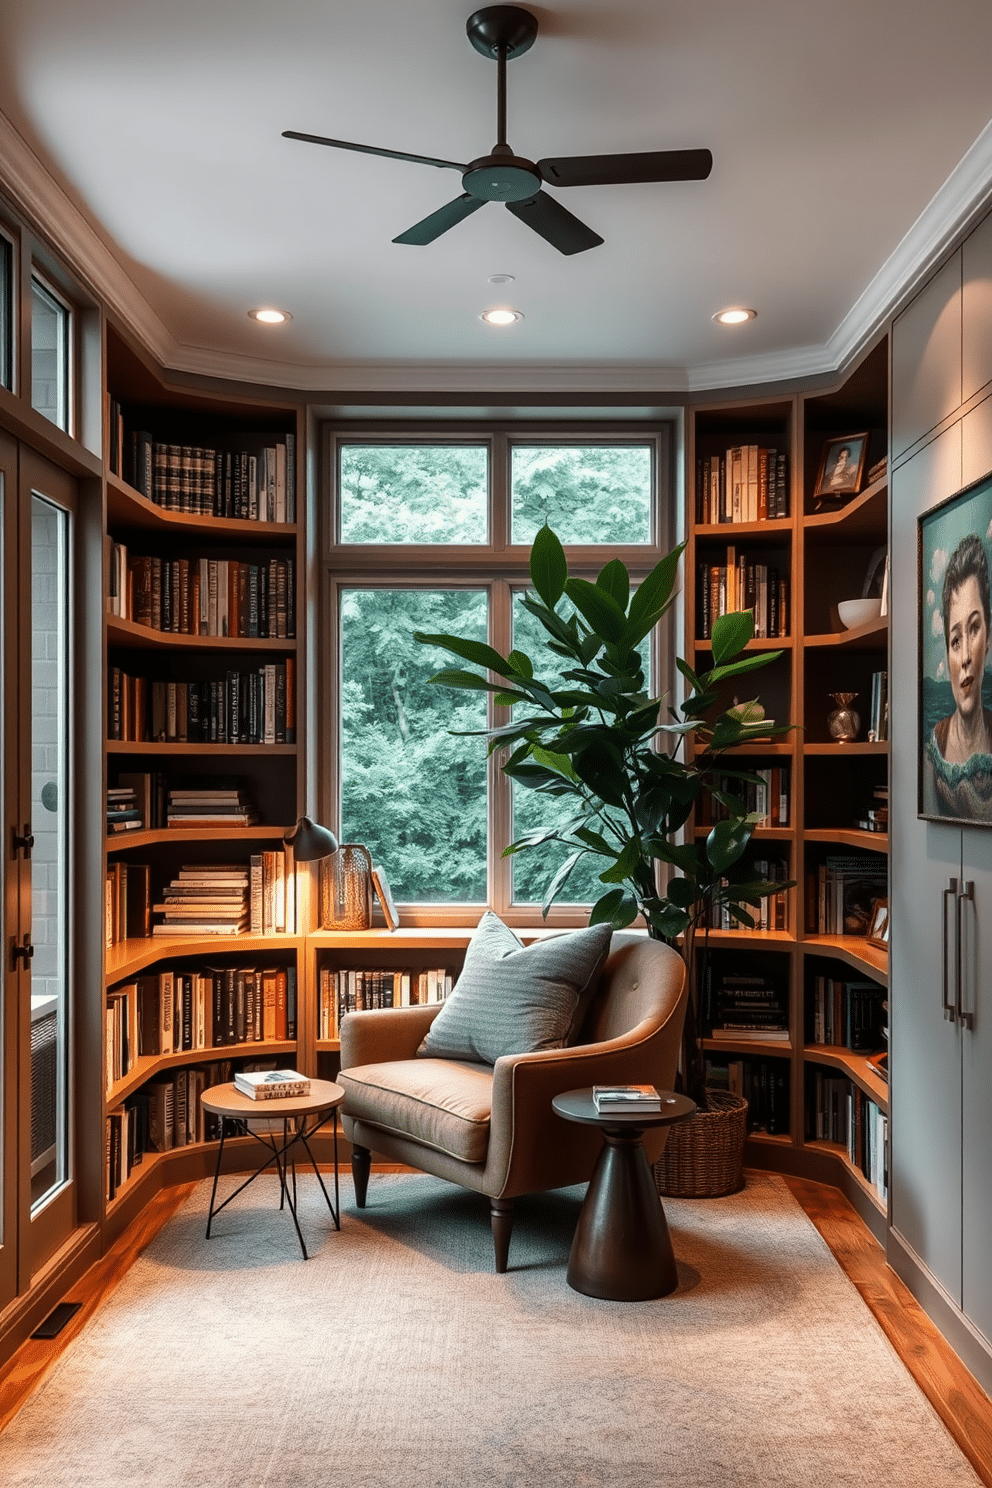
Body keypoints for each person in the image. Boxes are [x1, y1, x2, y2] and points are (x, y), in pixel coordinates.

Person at [923, 532, 992, 820]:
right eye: (955, 641)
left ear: (988, 638)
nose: (964, 657)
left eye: (974, 629)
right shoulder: (934, 746)